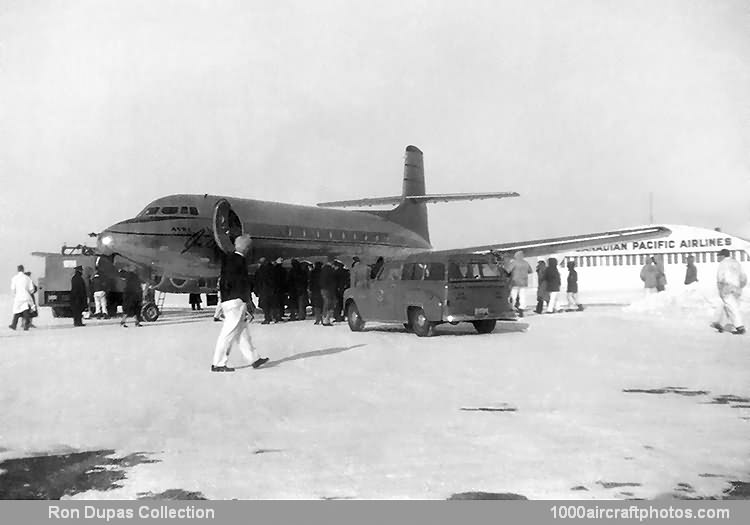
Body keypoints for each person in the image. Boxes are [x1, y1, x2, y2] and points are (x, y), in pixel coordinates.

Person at [212, 234, 268, 372]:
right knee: (229, 332)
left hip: (229, 300)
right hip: (235, 301)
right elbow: (241, 283)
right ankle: (218, 363)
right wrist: (244, 299)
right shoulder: (239, 261)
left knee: (242, 332)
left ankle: (254, 358)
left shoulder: (229, 259)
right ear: (246, 247)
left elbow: (225, 282)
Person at [710, 248, 747, 335]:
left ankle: (739, 327)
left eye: (718, 256)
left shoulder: (723, 264)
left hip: (726, 286)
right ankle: (718, 323)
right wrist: (741, 286)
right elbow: (743, 276)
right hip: (737, 287)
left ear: (723, 256)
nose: (717, 257)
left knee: (731, 307)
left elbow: (720, 276)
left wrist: (720, 288)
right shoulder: (736, 262)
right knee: (727, 305)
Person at [507, 250, 532, 317]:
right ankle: (521, 309)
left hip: (515, 282)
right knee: (522, 296)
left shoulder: (514, 263)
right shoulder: (526, 263)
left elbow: (508, 271)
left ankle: (512, 308)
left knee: (513, 296)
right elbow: (530, 271)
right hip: (524, 282)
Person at [9, 265, 35, 331]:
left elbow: (13, 289)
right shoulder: (27, 278)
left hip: (18, 297)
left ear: (18, 270)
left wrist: (15, 293)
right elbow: (32, 289)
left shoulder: (14, 278)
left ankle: (14, 325)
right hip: (26, 296)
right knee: (25, 310)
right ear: (23, 270)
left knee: (17, 311)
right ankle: (26, 324)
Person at [320, 261, 337, 326]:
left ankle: (324, 319)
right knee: (329, 304)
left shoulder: (323, 270)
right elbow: (332, 280)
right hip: (329, 289)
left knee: (326, 303)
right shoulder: (330, 271)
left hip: (323, 289)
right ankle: (326, 320)